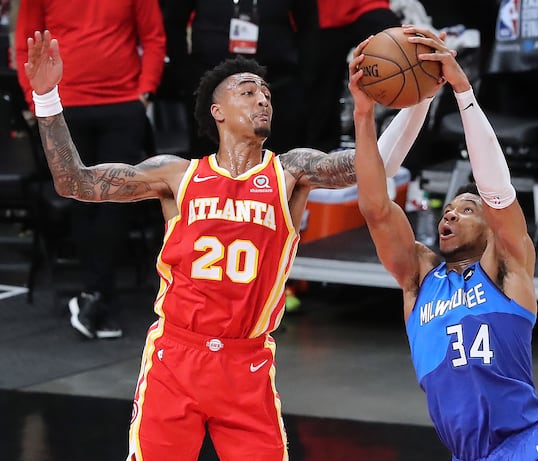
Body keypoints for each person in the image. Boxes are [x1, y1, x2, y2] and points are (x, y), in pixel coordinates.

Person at [23, 28, 431, 460]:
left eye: (267, 94)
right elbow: (76, 183)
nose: (263, 99)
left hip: (247, 362)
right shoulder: (177, 175)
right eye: (249, 91)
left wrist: (421, 94)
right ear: (217, 110)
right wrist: (47, 98)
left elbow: (378, 165)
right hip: (175, 357)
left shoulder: (290, 172)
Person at [351, 24, 538, 461]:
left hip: (530, 446)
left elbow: (497, 190)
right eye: (449, 208)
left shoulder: (507, 265)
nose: (451, 213)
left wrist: (461, 90)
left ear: (491, 228)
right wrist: (366, 113)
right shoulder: (419, 278)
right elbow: (376, 206)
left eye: (468, 209)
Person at [15, 0, 166, 339]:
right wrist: (37, 98)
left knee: (116, 200)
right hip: (64, 104)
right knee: (79, 200)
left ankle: (94, 294)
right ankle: (96, 295)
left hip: (122, 104)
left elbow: (153, 37)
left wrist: (145, 91)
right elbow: (26, 39)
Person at [160, 0, 317, 157]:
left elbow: (309, 23)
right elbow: (173, 22)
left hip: (278, 83)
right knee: (211, 161)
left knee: (278, 162)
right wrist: (186, 73)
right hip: (211, 83)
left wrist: (302, 74)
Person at [304, 0, 401, 153]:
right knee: (319, 85)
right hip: (319, 15)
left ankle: (407, 164)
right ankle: (319, 153)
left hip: (367, 5)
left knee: (406, 58)